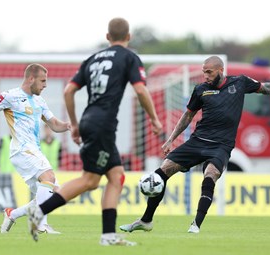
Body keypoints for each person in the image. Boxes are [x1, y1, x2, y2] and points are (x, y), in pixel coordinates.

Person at [119, 55, 270, 234]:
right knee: (162, 171)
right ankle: (146, 220)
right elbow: (187, 115)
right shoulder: (201, 89)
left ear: (220, 70)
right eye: (204, 72)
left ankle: (196, 224)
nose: (205, 76)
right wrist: (171, 139)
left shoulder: (240, 82)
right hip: (197, 142)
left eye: (209, 72)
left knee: (210, 174)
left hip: (221, 145)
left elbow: (265, 88)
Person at [26, 17, 162, 246]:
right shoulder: (130, 57)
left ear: (107, 38)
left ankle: (108, 236)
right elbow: (140, 90)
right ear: (128, 37)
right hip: (104, 125)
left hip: (90, 120)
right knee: (90, 180)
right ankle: (39, 211)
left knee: (116, 176)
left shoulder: (92, 59)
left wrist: (76, 124)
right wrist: (155, 119)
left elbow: (68, 91)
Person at [0, 63, 70, 234]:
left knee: (54, 194)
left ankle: (12, 214)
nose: (45, 85)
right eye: (43, 81)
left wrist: (69, 125)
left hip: (34, 151)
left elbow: (54, 124)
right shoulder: (10, 96)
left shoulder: (40, 100)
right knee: (49, 176)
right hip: (21, 149)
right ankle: (40, 224)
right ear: (31, 79)